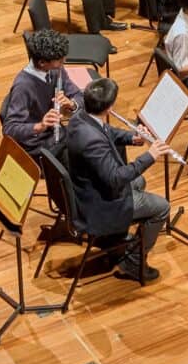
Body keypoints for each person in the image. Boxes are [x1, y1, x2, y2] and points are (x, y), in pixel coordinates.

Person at [60, 75, 177, 285]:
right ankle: (133, 261)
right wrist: (150, 156)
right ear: (109, 107)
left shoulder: (80, 118)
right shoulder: (92, 140)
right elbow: (115, 178)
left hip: (86, 188)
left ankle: (116, 236)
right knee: (162, 207)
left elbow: (107, 131)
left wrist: (133, 137)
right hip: (99, 205)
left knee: (139, 182)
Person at [0, 28, 80, 161]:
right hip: (38, 145)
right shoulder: (23, 86)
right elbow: (10, 129)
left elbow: (77, 94)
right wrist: (40, 126)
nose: (63, 62)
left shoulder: (55, 68)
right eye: (59, 60)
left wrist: (71, 104)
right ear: (42, 62)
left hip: (57, 135)